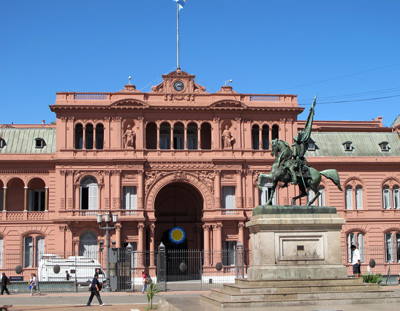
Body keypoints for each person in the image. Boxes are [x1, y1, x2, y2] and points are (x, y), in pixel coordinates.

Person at [290, 94, 317, 185]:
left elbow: (308, 127)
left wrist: (311, 112)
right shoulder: (297, 143)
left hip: (299, 160)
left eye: (299, 134)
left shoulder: (301, 142)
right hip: (296, 159)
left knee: (292, 168)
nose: (298, 134)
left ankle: (294, 180)